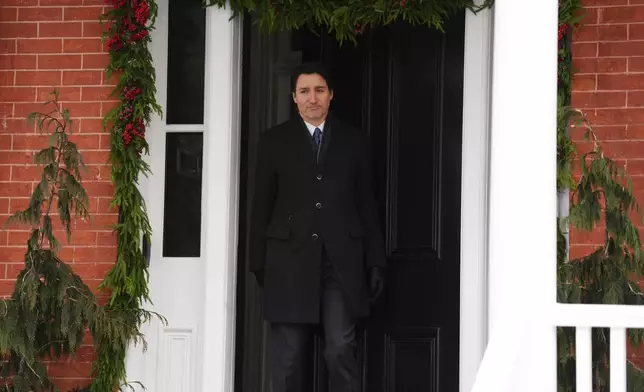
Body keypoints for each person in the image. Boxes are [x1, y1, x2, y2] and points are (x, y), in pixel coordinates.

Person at [248, 62, 386, 392]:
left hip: (340, 264)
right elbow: (261, 205)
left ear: (331, 95)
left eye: (320, 90)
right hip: (289, 263)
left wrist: (376, 260)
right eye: (305, 91)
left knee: (340, 349)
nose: (313, 98)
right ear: (294, 97)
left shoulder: (355, 142)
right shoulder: (273, 142)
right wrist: (258, 262)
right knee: (289, 359)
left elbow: (367, 205)